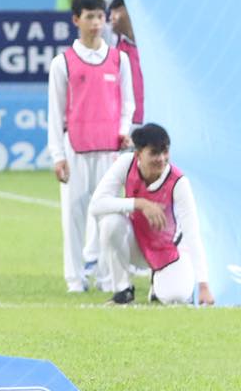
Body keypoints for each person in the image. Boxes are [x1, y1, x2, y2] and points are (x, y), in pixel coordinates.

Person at [46, 0, 135, 293]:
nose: (96, 23)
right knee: (73, 216)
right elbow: (55, 112)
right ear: (76, 20)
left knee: (109, 215)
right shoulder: (63, 63)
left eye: (100, 17)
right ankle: (75, 279)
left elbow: (128, 104)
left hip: (111, 150)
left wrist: (123, 131)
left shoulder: (119, 59)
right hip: (76, 148)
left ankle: (108, 277)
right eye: (90, 17)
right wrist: (58, 155)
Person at [89, 123, 213, 306]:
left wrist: (203, 284)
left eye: (165, 152)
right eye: (154, 153)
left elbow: (192, 233)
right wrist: (139, 203)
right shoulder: (126, 164)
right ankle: (123, 290)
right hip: (137, 244)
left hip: (169, 251)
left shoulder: (179, 182)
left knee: (175, 297)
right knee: (110, 223)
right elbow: (96, 205)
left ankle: (158, 283)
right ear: (138, 154)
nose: (161, 159)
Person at [107, 0, 144, 127]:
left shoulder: (152, 44)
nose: (110, 17)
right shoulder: (110, 42)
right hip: (123, 124)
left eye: (116, 11)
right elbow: (88, 9)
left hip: (151, 121)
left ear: (129, 10)